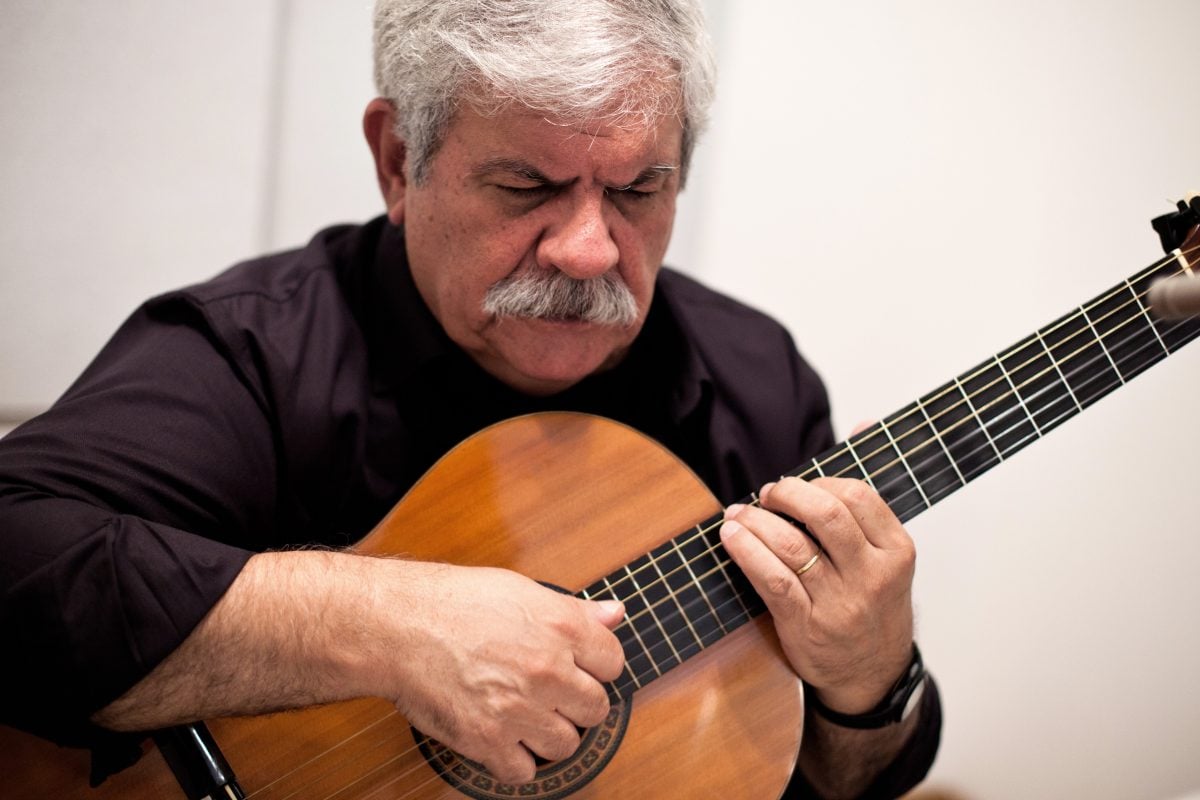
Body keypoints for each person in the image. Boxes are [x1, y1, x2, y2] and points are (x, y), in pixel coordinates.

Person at [0, 0, 941, 797]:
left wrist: (873, 680)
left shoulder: (756, 382)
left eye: (639, 190)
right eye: (526, 184)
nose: (589, 250)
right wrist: (387, 625)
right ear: (398, 160)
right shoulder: (252, 349)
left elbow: (841, 777)